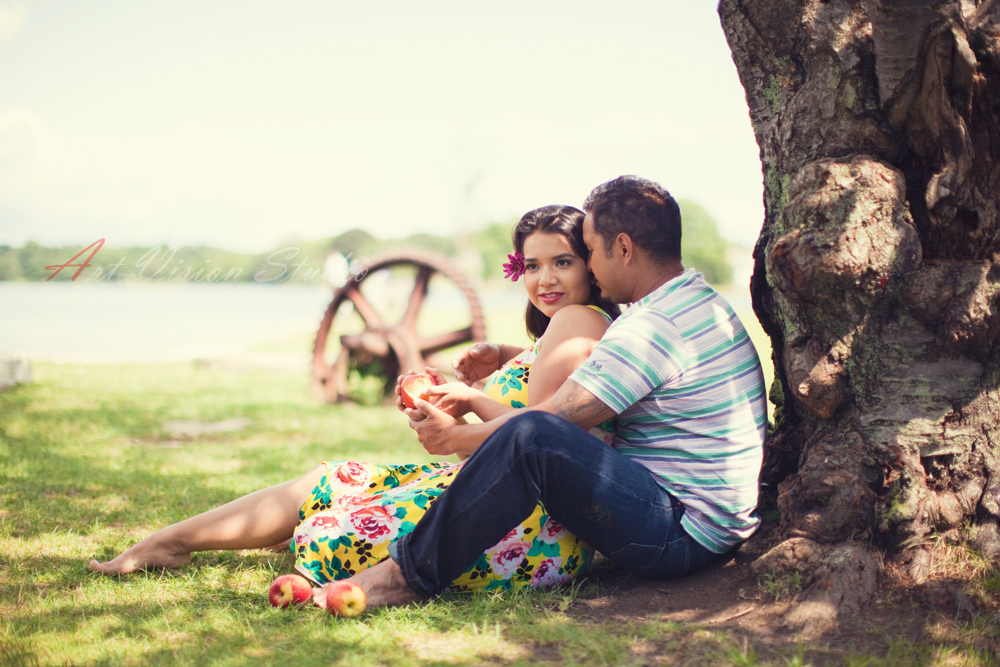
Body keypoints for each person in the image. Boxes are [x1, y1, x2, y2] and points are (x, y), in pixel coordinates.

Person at [89, 205, 620, 600]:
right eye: (532, 264)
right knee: (330, 480)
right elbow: (540, 392)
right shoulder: (564, 327)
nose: (544, 278)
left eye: (562, 262)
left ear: (591, 268)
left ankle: (197, 548)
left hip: (531, 530)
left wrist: (473, 399)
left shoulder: (578, 322)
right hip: (491, 499)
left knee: (330, 526)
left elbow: (547, 438)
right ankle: (168, 543)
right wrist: (505, 358)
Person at [348, 175, 768, 607]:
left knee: (536, 436)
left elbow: (556, 418)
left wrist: (456, 436)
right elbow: (596, 367)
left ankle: (406, 576)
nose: (590, 265)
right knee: (535, 433)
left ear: (623, 248)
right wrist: (510, 355)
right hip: (699, 519)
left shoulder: (653, 326)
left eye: (589, 251)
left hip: (680, 533)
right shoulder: (695, 302)